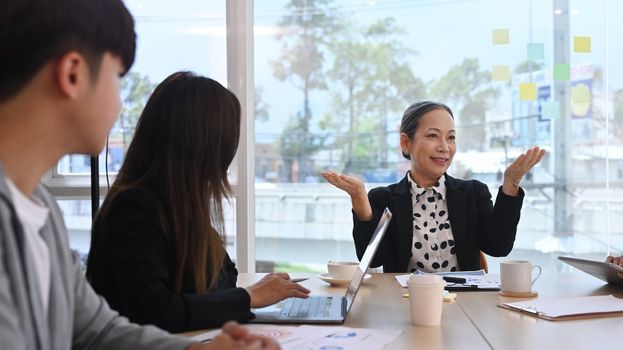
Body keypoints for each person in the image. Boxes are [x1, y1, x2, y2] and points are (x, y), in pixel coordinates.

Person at [0, 1, 278, 349]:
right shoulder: (130, 206)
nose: (119, 104)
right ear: (72, 73)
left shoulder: (42, 212)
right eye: (117, 78)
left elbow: (96, 331)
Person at [86, 71, 310, 333]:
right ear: (203, 145)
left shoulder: (179, 202)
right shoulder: (134, 207)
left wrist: (251, 293)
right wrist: (249, 297)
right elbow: (153, 311)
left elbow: (225, 275)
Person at [322, 101, 545, 273]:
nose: (444, 147)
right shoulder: (384, 198)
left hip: (465, 307)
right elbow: (374, 260)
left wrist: (511, 185)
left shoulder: (473, 193)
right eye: (432, 136)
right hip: (406, 307)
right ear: (405, 142)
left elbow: (498, 247)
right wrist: (359, 198)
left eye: (451, 138)